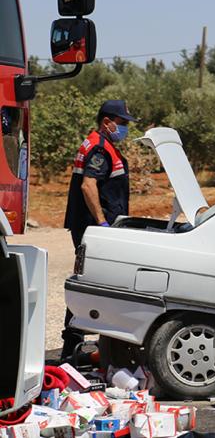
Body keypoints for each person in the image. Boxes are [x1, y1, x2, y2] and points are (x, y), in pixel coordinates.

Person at [61, 100, 138, 361]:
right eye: (123, 123)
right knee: (92, 284)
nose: (125, 128)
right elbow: (88, 186)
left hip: (92, 228)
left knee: (90, 283)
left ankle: (81, 347)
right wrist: (102, 223)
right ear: (108, 122)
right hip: (94, 229)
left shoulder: (98, 143)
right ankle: (73, 347)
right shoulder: (99, 148)